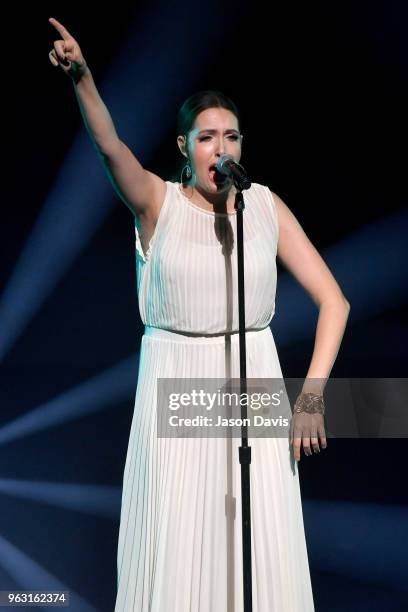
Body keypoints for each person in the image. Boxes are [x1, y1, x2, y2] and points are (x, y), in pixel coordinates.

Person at [49, 17, 350, 612]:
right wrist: (82, 78)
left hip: (252, 381)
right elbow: (111, 147)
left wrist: (311, 397)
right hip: (176, 386)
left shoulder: (263, 206)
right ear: (184, 147)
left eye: (233, 136)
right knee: (181, 547)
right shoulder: (157, 203)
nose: (223, 147)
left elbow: (334, 301)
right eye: (209, 136)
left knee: (258, 548)